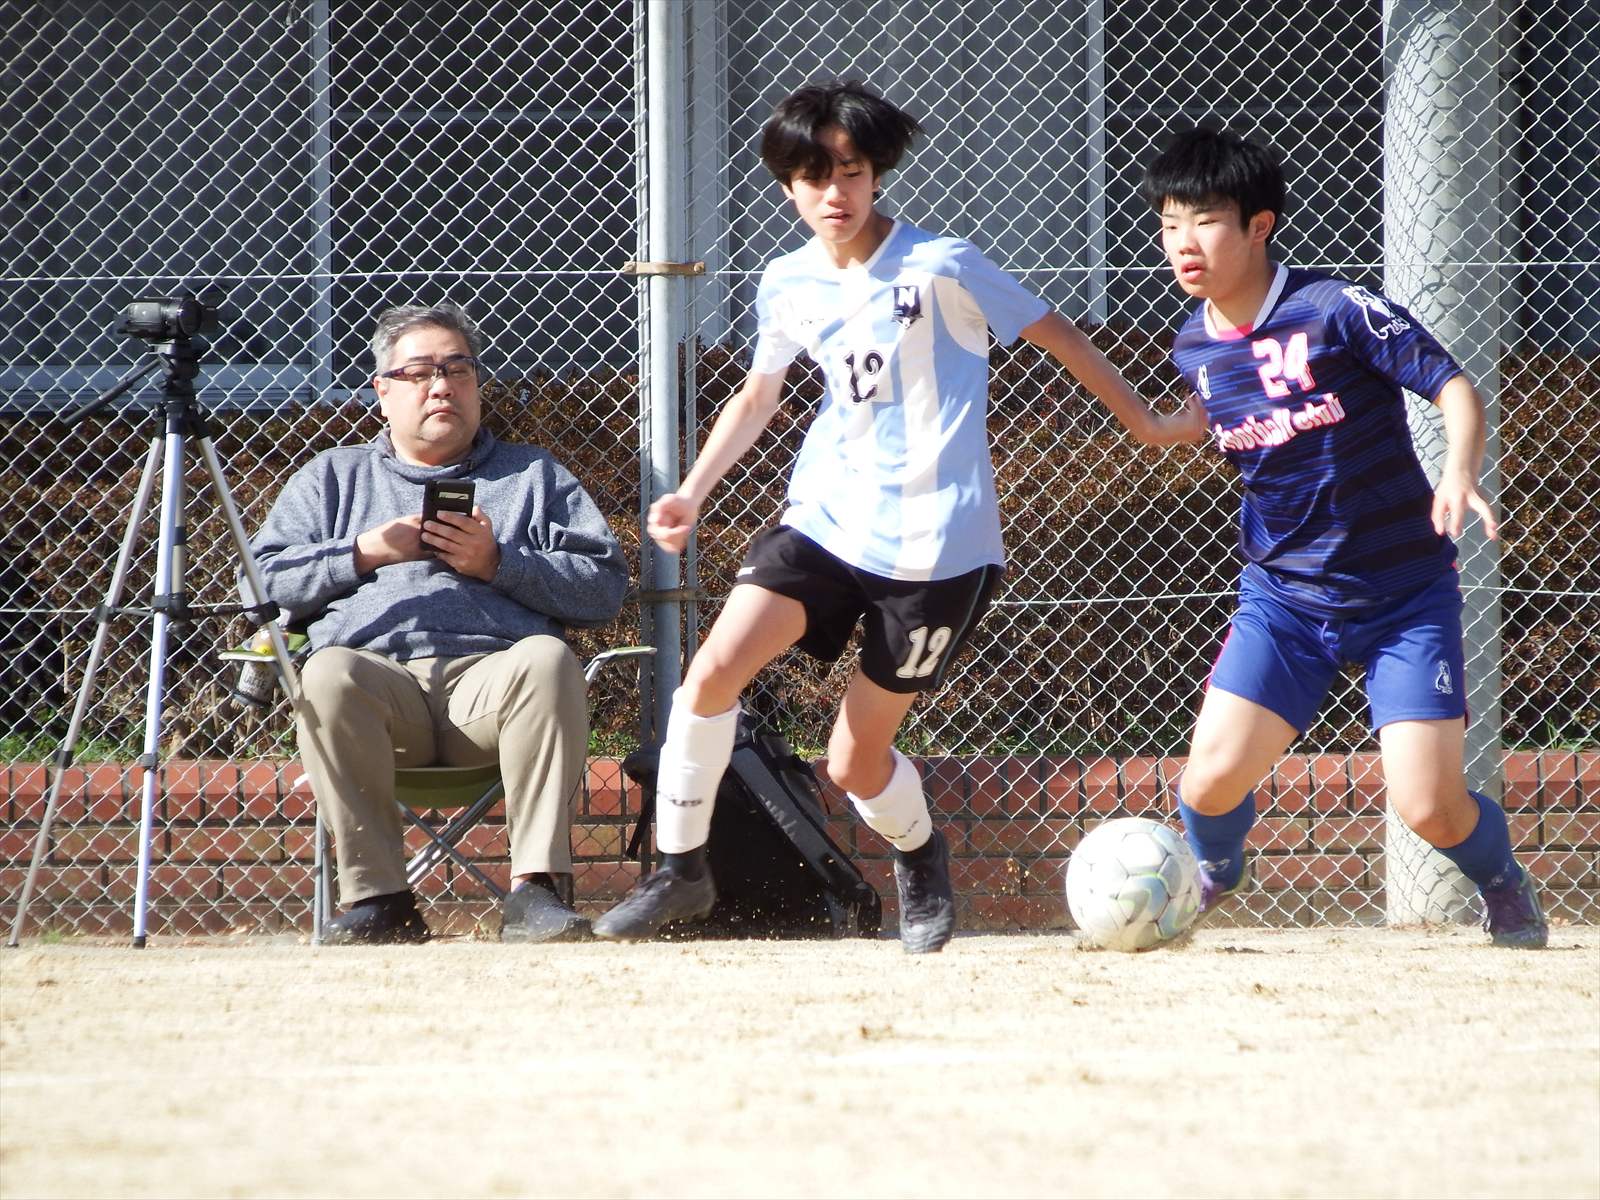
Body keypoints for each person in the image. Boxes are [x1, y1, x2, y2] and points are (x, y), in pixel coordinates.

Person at [594, 80, 1203, 952]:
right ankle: (681, 870)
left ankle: (919, 856)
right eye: (814, 176)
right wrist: (692, 489)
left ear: (877, 174)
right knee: (711, 675)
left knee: (854, 760)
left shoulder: (941, 265)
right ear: (787, 187)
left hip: (937, 549)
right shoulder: (788, 281)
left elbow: (1058, 333)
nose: (834, 192)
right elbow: (759, 392)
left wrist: (1148, 423)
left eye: (851, 172)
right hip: (825, 522)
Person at [1138, 127, 1547, 947]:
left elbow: (1453, 387)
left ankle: (1503, 880)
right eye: (1170, 223)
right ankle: (1215, 869)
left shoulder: (1335, 310)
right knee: (1208, 785)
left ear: (1259, 225)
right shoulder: (1194, 345)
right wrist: (1167, 425)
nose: (1184, 242)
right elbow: (1217, 415)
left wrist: (1459, 471)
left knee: (1428, 806)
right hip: (1285, 600)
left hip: (1403, 596)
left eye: (1206, 221)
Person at [249, 302, 629, 944]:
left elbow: (604, 588)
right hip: (380, 690)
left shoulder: (532, 475)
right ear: (383, 391)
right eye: (420, 372)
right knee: (328, 671)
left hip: (492, 689)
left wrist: (499, 563)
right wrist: (364, 552)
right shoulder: (334, 477)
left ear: (477, 386)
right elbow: (259, 585)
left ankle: (535, 893)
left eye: (458, 369)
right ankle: (379, 900)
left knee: (546, 658)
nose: (441, 386)